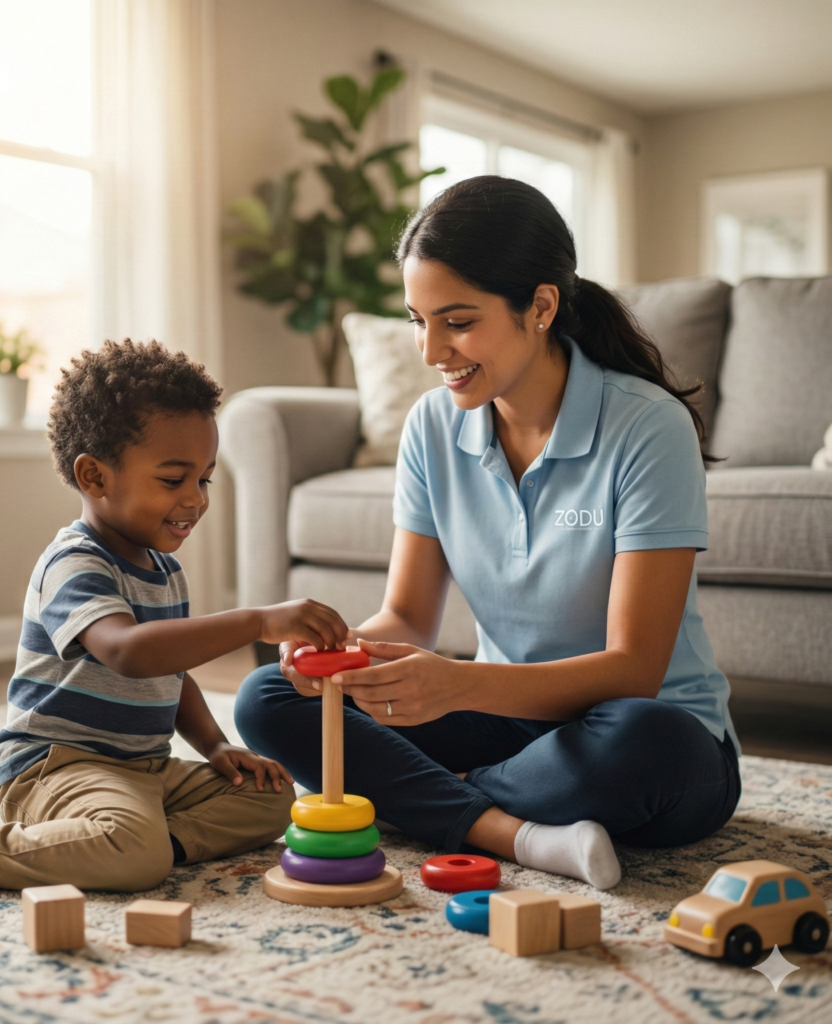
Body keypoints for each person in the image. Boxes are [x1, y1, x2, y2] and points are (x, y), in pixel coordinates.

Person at [235, 176, 741, 891]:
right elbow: (408, 617)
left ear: (540, 306)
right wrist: (340, 657)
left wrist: (454, 685)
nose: (431, 349)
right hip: (502, 718)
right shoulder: (432, 427)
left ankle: (429, 798)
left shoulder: (646, 427)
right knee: (270, 697)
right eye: (417, 320)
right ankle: (513, 826)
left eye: (458, 321)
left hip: (639, 728)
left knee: (642, 747)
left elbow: (635, 670)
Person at [0, 339, 348, 898]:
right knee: (132, 852)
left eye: (205, 478)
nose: (195, 499)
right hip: (56, 768)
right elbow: (130, 651)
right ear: (94, 477)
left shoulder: (164, 570)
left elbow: (169, 672)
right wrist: (256, 622)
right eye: (173, 480)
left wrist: (216, 747)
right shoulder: (73, 563)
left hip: (143, 769)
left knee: (274, 800)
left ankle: (129, 843)